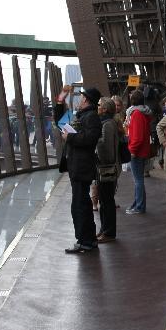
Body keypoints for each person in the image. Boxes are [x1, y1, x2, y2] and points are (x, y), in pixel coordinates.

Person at [61, 87, 103, 253]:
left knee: (80, 205)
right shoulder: (84, 115)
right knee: (81, 203)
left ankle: (85, 241)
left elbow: (90, 138)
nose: (79, 100)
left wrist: (69, 136)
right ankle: (88, 240)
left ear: (86, 99)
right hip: (78, 166)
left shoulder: (91, 116)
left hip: (81, 166)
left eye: (81, 97)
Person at [95, 97, 120, 242]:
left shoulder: (107, 125)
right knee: (104, 201)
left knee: (107, 201)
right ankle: (104, 229)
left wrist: (95, 141)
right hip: (104, 169)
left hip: (107, 169)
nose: (97, 107)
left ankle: (109, 233)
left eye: (99, 105)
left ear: (104, 109)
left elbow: (107, 150)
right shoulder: (106, 123)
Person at [125, 90, 152, 214]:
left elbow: (137, 137)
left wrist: (132, 150)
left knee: (138, 180)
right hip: (143, 150)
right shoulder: (143, 112)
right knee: (138, 180)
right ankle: (137, 203)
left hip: (137, 151)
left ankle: (139, 206)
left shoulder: (136, 114)